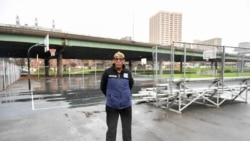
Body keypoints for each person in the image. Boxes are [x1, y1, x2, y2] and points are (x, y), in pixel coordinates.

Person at [100, 51, 134, 141]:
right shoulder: (107, 73)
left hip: (126, 106)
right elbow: (103, 87)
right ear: (113, 61)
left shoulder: (128, 73)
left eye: (121, 59)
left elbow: (130, 85)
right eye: (116, 59)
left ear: (123, 61)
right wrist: (110, 97)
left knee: (127, 130)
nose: (118, 61)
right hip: (112, 106)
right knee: (111, 130)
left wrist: (125, 96)